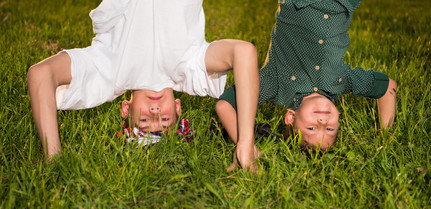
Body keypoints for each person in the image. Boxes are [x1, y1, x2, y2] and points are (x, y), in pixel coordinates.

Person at [28, 0, 260, 168]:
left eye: (145, 120)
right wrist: (245, 142)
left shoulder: (110, 73)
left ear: (126, 109)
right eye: (166, 119)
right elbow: (244, 52)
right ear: (178, 107)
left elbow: (40, 74)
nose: (155, 111)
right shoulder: (188, 67)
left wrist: (53, 160)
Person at [216, 0, 397, 170]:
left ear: (290, 117)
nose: (322, 122)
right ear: (338, 117)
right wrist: (384, 137)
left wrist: (245, 145)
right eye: (330, 128)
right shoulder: (341, 82)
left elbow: (225, 106)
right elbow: (388, 87)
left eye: (312, 128)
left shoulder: (276, 85)